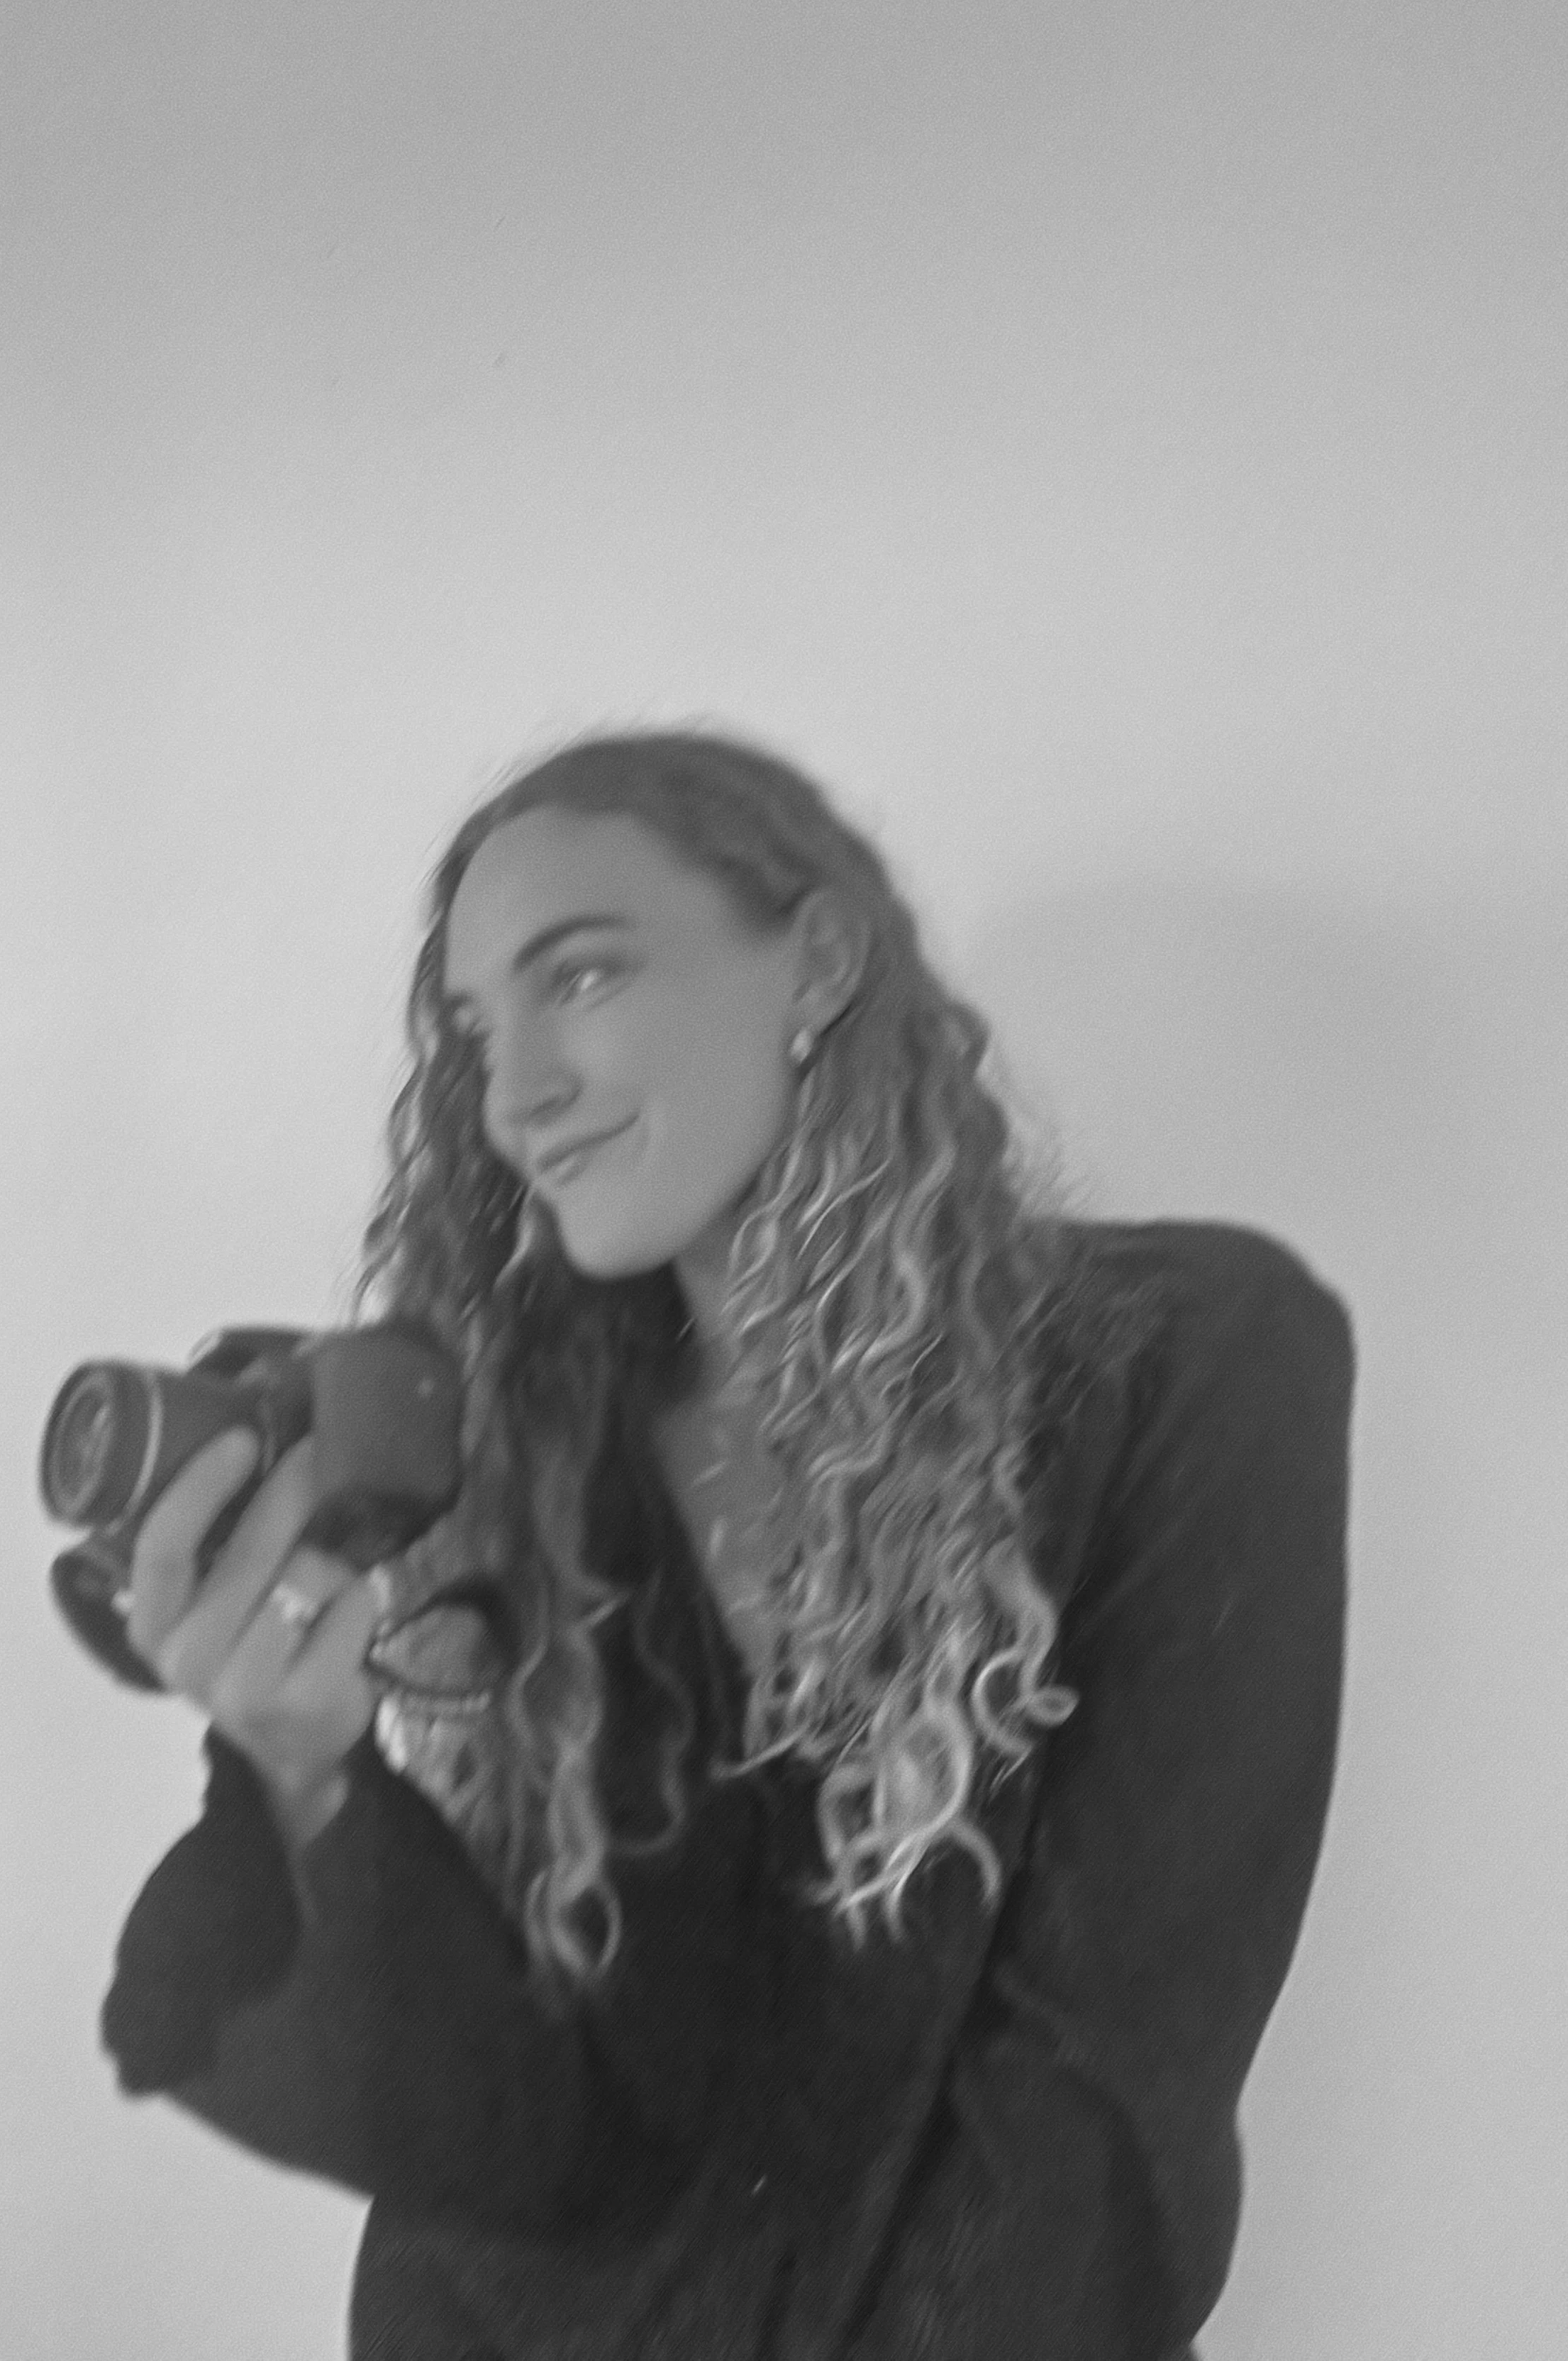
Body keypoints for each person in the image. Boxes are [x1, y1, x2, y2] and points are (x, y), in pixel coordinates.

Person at [101, 730, 1355, 2361]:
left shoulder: (1179, 1362)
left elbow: (1102, 2096)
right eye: (474, 1032)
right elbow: (491, 2136)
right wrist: (302, 1772)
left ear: (817, 962)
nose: (514, 1095)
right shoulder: (528, 1466)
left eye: (584, 975)